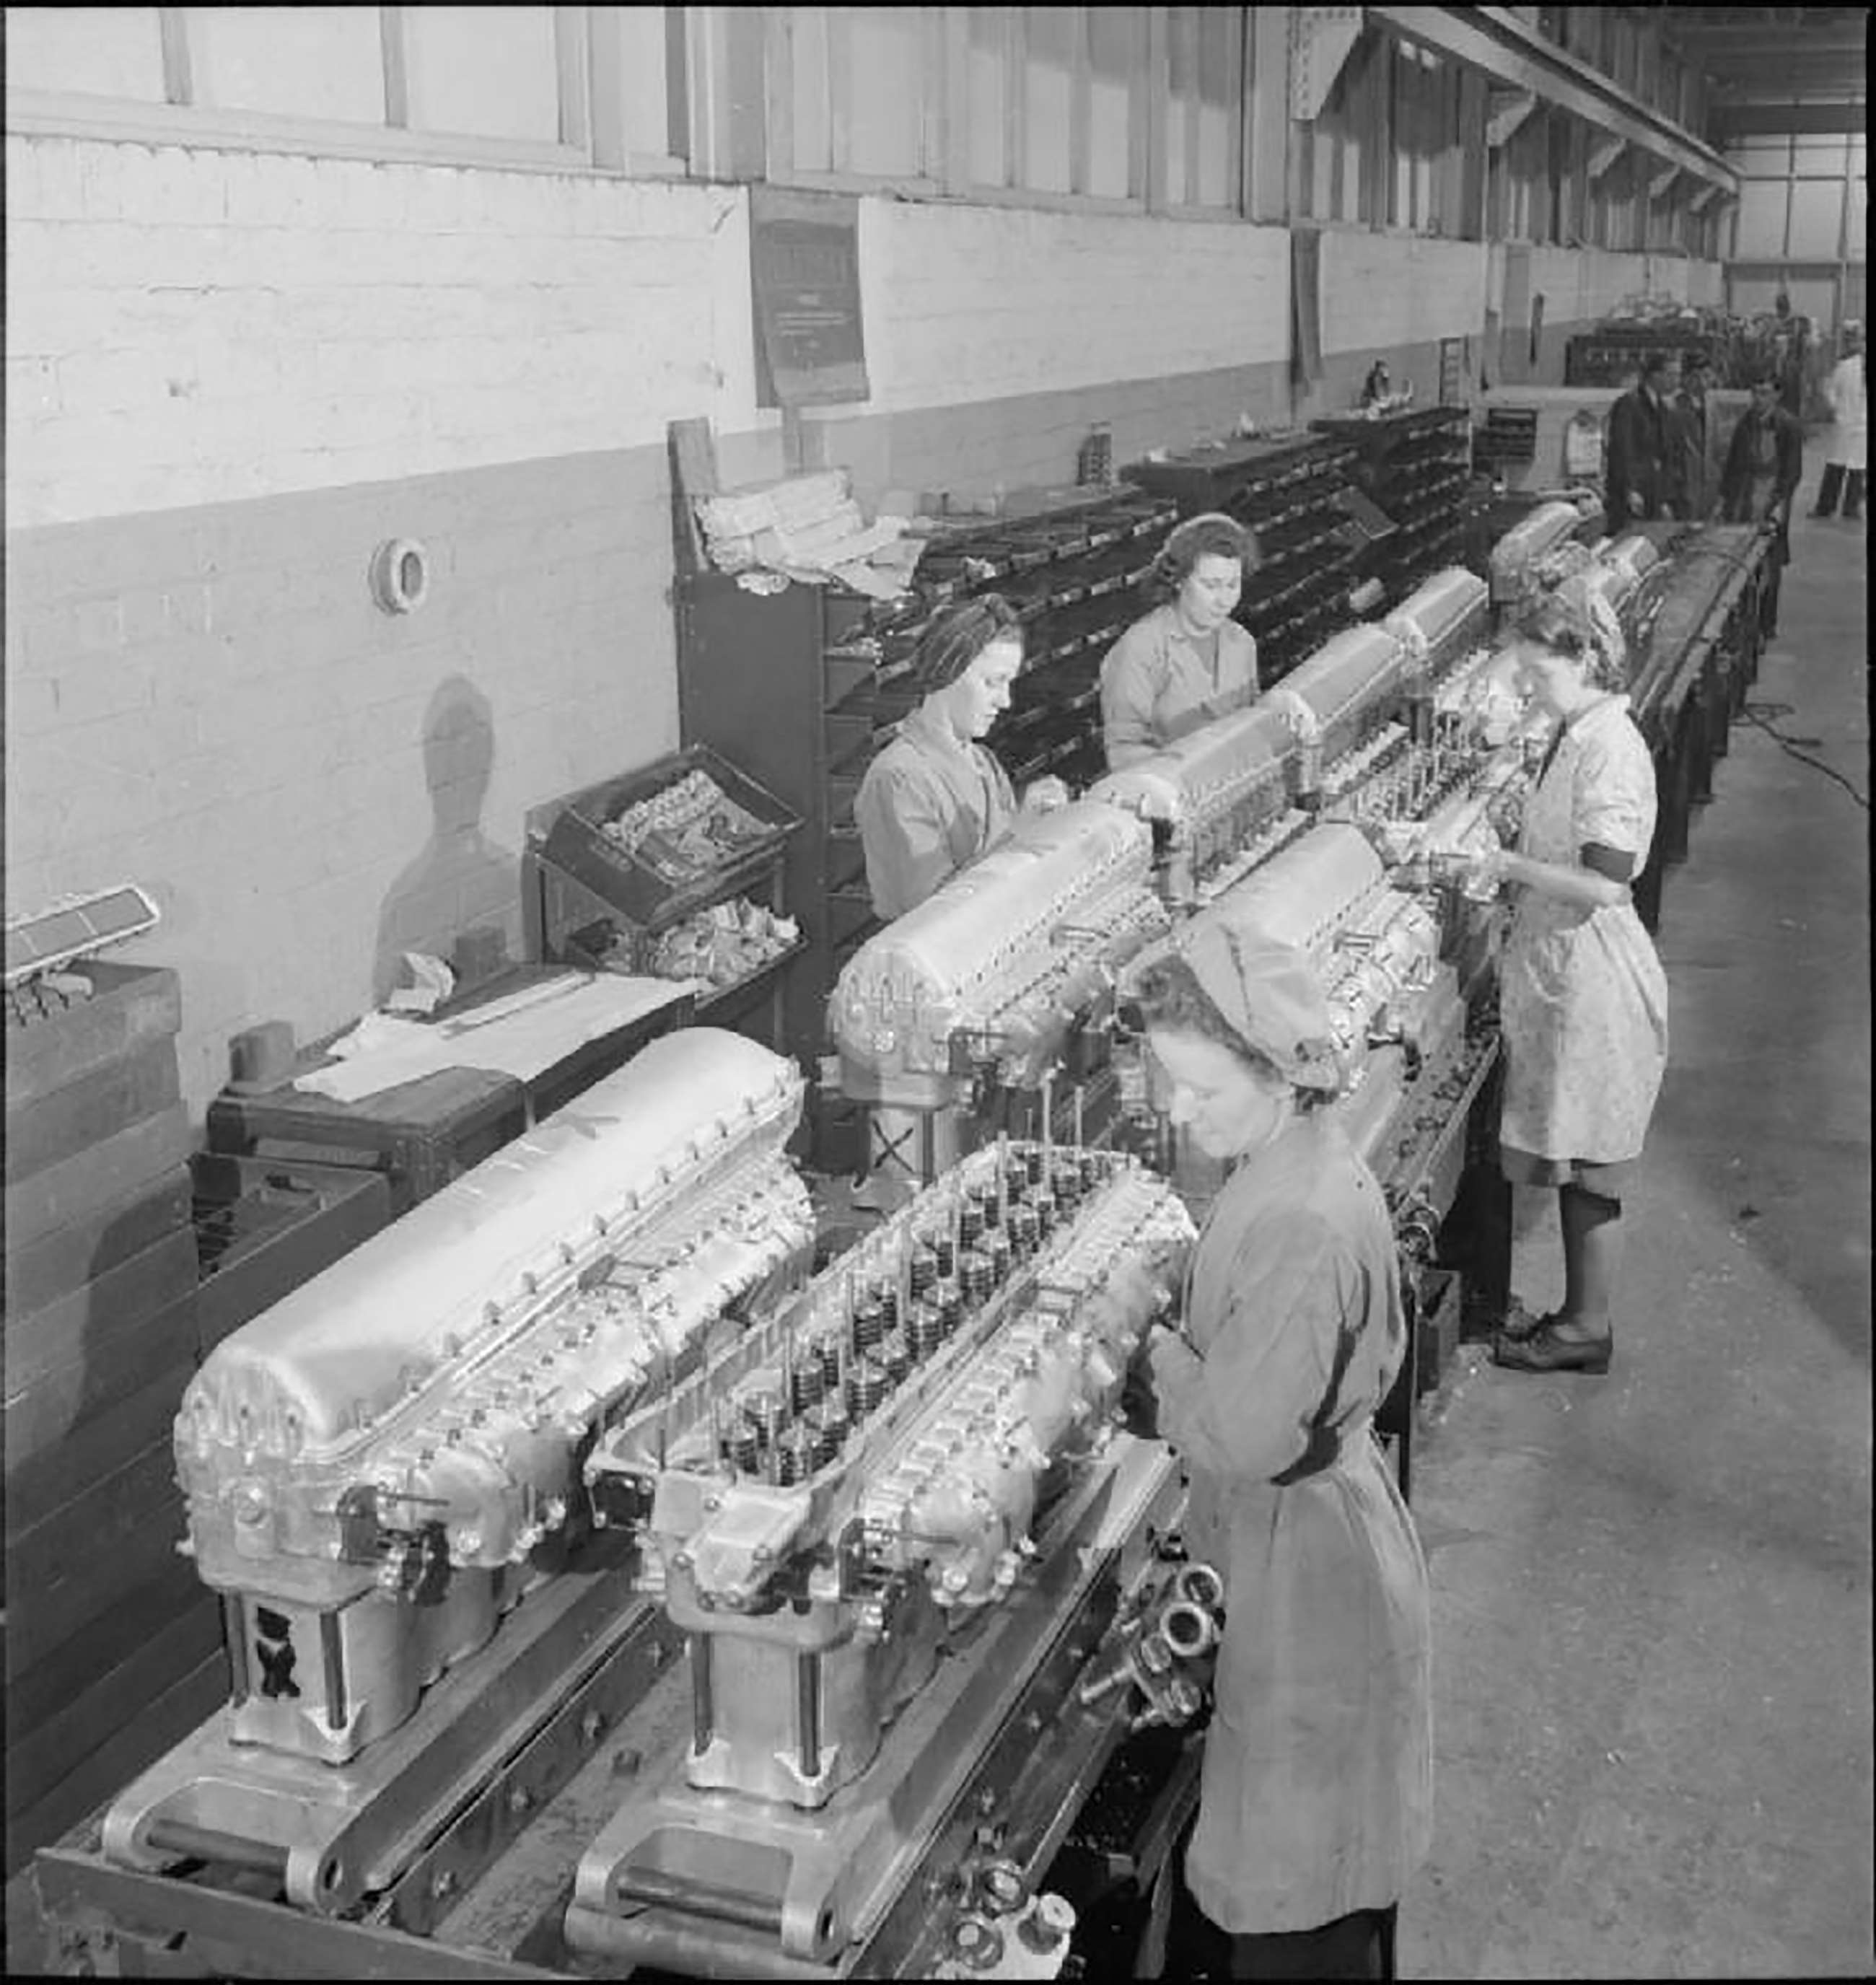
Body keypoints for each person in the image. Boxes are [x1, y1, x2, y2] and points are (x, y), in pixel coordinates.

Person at [1127, 923, 1432, 1981]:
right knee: (1296, 1859)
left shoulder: (1301, 1214)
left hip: (1309, 1572)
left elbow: (1248, 1433)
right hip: (1292, 1539)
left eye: (1199, 1090)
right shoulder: (1287, 1158)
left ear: (1273, 1071)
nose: (1177, 1111)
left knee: (1306, 1891)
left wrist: (1154, 1347)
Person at [1450, 591, 1669, 1377]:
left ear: (1582, 661)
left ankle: (1585, 1331)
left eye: (1540, 674)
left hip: (1593, 976)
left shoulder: (1611, 747)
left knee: (1590, 1169)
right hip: (1560, 969)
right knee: (1574, 1159)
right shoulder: (1578, 731)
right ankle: (1577, 1316)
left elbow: (1607, 881)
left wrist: (1507, 865)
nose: (1531, 690)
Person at [854, 595, 1064, 922]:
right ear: (948, 673)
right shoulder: (899, 778)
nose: (1006, 701)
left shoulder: (983, 762)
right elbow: (931, 917)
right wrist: (1019, 833)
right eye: (993, 682)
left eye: (1008, 683)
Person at [1100, 513, 1312, 773]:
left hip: (1229, 785)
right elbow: (1122, 755)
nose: (1224, 600)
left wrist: (1273, 704)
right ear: (1178, 580)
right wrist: (1183, 768)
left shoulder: (1241, 641)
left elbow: (1241, 717)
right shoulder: (1140, 650)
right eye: (1211, 586)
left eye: (1233, 585)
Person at [1717, 371, 1804, 639]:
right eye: (1755, 393)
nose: (1758, 399)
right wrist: (1724, 497)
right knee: (1741, 561)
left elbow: (1792, 470)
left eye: (1765, 393)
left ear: (1777, 395)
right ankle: (1744, 622)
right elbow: (1733, 462)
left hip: (1771, 499)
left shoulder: (1788, 426)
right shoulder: (1747, 422)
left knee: (1771, 564)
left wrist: (1781, 502)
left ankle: (1767, 624)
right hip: (1744, 497)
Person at [1603, 351, 1680, 524]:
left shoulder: (1663, 409)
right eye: (1671, 374)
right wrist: (1630, 489)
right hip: (1633, 493)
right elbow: (1623, 450)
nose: (1676, 381)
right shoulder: (1630, 405)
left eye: (1678, 375)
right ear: (1655, 375)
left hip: (1654, 493)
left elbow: (1665, 455)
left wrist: (1665, 498)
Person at [1810, 321, 1866, 522]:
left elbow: (1830, 391)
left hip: (1861, 427)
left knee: (1857, 468)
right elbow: (1831, 390)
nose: (1852, 343)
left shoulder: (1848, 365)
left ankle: (1850, 509)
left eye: (1856, 339)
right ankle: (1826, 507)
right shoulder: (1844, 366)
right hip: (1845, 424)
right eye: (1849, 339)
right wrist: (1837, 410)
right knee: (1837, 465)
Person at [1670, 351, 1716, 520]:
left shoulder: (1712, 403)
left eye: (1707, 376)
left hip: (1709, 486)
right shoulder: (1673, 407)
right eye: (1697, 377)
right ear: (1686, 378)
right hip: (1684, 487)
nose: (1703, 382)